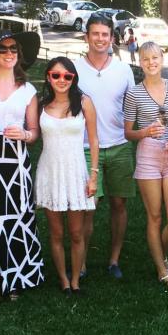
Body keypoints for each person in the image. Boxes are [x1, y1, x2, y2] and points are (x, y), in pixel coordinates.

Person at [0, 29, 44, 300]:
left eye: (13, 49)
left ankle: (15, 278)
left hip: (15, 161)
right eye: (2, 49)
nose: (9, 53)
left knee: (15, 218)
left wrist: (24, 135)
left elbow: (34, 132)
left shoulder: (28, 90)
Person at [75, 13, 136, 279]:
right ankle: (81, 262)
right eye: (95, 34)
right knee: (89, 206)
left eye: (105, 34)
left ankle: (114, 260)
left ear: (112, 38)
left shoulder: (123, 70)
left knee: (119, 204)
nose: (100, 39)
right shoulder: (74, 68)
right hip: (86, 147)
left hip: (120, 145)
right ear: (86, 36)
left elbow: (133, 106)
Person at [124, 42, 168, 289]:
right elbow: (128, 133)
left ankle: (159, 255)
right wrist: (146, 132)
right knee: (155, 216)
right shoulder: (134, 93)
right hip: (148, 156)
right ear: (140, 62)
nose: (151, 62)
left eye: (155, 58)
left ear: (162, 59)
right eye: (146, 59)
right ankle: (162, 269)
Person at [35, 57, 99, 294]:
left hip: (76, 173)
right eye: (56, 75)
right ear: (48, 77)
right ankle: (63, 280)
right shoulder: (41, 105)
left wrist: (93, 176)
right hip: (49, 172)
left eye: (67, 76)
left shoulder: (84, 102)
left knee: (76, 232)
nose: (61, 80)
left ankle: (75, 280)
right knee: (56, 232)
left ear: (73, 78)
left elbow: (94, 140)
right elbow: (31, 134)